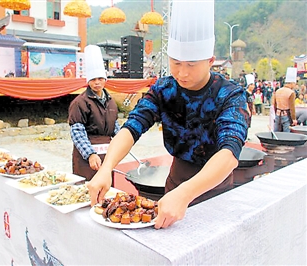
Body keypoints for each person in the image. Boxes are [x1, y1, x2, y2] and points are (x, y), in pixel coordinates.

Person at [87, 0, 249, 229]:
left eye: (191, 64)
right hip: (175, 182)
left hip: (215, 189)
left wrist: (186, 193)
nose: (182, 73)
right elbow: (132, 127)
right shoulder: (164, 89)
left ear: (210, 61)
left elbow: (229, 153)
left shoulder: (230, 95)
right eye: (175, 62)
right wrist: (106, 168)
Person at [68, 45, 120, 181]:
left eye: (100, 78)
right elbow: (77, 132)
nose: (97, 82)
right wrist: (90, 154)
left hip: (107, 155)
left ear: (105, 79)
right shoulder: (80, 102)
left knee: (107, 191)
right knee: (87, 190)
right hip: (87, 156)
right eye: (93, 79)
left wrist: (123, 142)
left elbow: (115, 126)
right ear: (88, 81)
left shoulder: (111, 102)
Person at [272, 67, 298, 132]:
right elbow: (292, 107)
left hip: (278, 114)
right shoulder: (291, 93)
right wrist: (294, 119)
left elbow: (274, 104)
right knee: (286, 134)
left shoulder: (278, 91)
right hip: (286, 115)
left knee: (276, 133)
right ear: (291, 83)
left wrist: (276, 112)